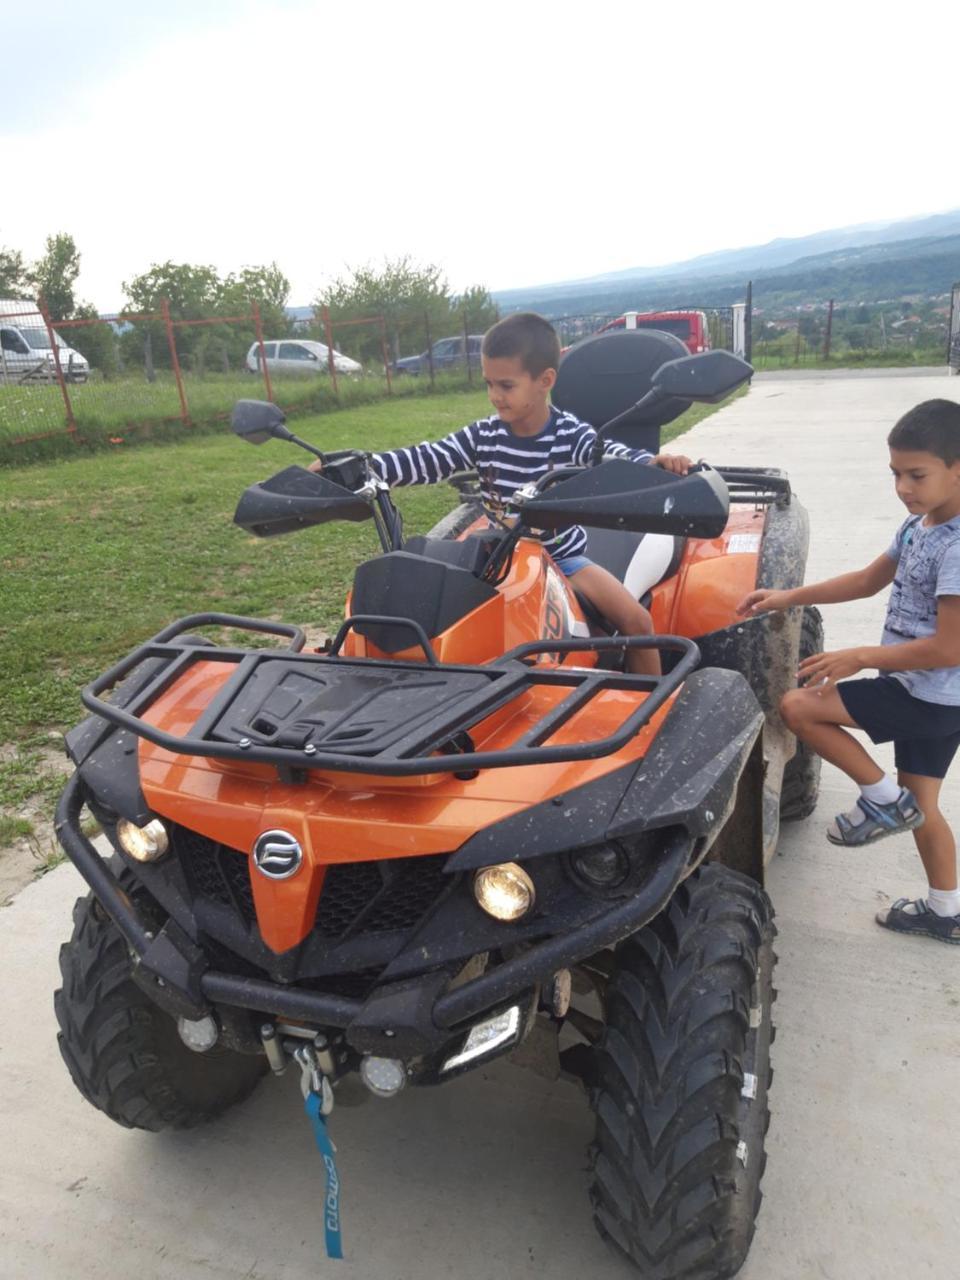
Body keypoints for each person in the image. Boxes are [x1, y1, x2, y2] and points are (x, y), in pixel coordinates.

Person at [316, 312, 690, 675]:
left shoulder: (569, 434)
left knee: (637, 622)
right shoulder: (484, 435)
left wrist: (653, 464)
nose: (495, 396)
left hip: (561, 557)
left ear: (545, 380)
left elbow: (610, 456)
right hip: (497, 557)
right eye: (489, 384)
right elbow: (427, 457)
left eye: (506, 385)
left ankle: (650, 715)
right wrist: (356, 470)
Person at [737, 398, 960, 944]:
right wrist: (789, 595)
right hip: (931, 693)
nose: (903, 487)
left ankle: (882, 801)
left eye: (917, 475)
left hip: (930, 693)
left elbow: (951, 647)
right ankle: (946, 911)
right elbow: (866, 580)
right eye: (895, 474)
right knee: (923, 807)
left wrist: (860, 656)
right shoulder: (918, 526)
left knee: (797, 707)